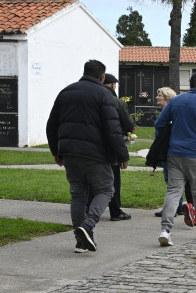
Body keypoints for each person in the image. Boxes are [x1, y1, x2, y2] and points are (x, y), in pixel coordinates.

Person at [46, 59, 129, 253]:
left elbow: (51, 125)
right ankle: (89, 225)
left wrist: (55, 151)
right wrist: (122, 154)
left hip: (69, 152)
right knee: (106, 190)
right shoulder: (104, 94)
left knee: (78, 195)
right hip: (96, 154)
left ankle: (81, 240)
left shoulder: (65, 92)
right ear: (101, 77)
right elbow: (113, 129)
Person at [155, 71, 196, 246]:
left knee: (173, 191)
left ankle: (165, 230)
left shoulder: (176, 101)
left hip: (175, 153)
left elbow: (159, 123)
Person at [101, 73, 134, 221]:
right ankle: (115, 210)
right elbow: (127, 125)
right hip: (111, 147)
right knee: (113, 180)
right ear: (113, 85)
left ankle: (88, 209)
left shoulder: (90, 99)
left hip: (90, 147)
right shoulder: (117, 102)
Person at [153, 87, 187, 219]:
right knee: (172, 180)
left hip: (169, 149)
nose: (157, 97)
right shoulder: (168, 111)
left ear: (167, 98)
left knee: (172, 180)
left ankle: (174, 207)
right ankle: (177, 206)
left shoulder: (170, 112)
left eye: (159, 95)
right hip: (165, 148)